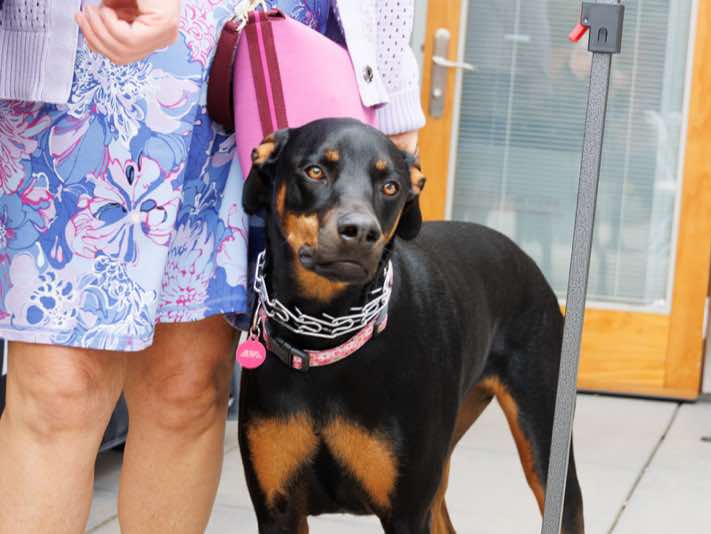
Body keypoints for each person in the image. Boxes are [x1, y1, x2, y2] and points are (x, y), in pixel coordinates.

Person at [0, 1, 424, 533]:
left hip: (257, 71)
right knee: (60, 395)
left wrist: (391, 85)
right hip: (91, 61)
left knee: (187, 389)